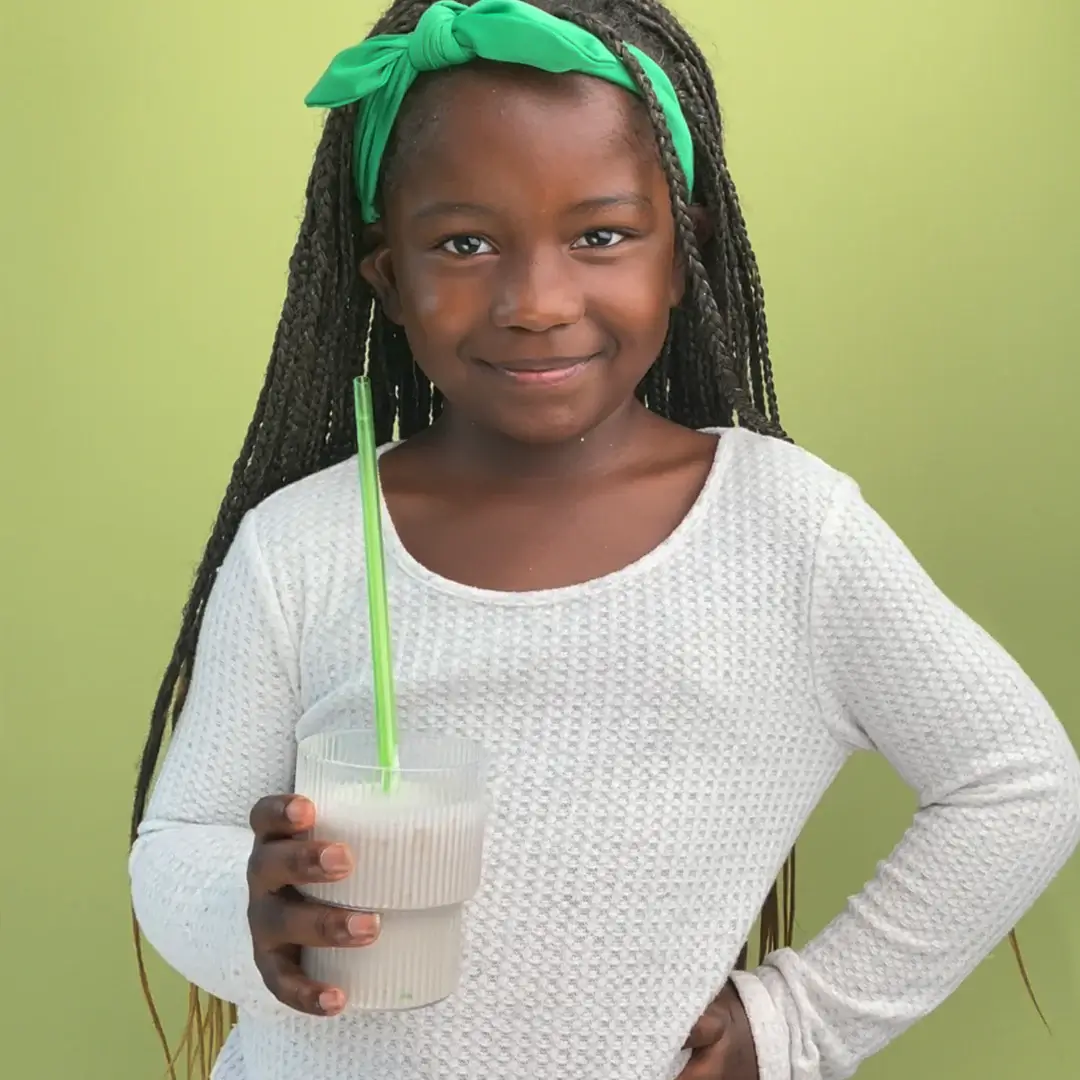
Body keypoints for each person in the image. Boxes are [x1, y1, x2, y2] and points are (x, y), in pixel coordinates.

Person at [128, 1, 1080, 1078]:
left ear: (683, 256)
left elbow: (1017, 779)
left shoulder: (785, 533)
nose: (537, 301)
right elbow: (179, 845)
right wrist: (248, 913)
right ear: (389, 278)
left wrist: (801, 1020)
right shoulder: (302, 545)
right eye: (465, 242)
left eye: (600, 235)